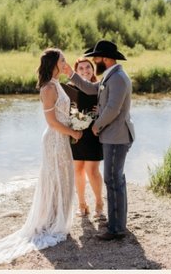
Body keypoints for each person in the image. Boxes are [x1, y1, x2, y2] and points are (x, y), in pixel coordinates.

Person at [0, 48, 81, 265]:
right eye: (63, 60)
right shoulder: (48, 88)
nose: (66, 62)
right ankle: (50, 222)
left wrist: (76, 123)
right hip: (54, 140)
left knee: (64, 178)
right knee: (54, 178)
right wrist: (74, 132)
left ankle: (58, 219)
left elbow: (65, 113)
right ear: (53, 64)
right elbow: (52, 123)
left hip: (63, 139)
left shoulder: (58, 84)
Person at [67, 40, 134, 241]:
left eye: (96, 58)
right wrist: (71, 74)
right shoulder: (110, 76)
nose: (95, 61)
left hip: (116, 136)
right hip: (113, 135)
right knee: (116, 180)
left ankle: (116, 229)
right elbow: (89, 88)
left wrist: (96, 126)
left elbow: (113, 109)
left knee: (113, 181)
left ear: (105, 58)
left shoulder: (118, 79)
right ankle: (117, 223)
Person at [62, 56, 105, 220]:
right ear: (76, 71)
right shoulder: (68, 89)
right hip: (76, 133)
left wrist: (100, 110)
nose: (85, 70)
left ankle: (99, 203)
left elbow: (109, 107)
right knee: (77, 169)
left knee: (92, 171)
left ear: (93, 70)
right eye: (81, 68)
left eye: (88, 67)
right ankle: (82, 204)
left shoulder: (99, 87)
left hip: (93, 133)